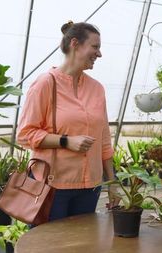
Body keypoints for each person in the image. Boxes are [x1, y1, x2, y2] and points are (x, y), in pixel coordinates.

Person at [17, 21, 120, 222]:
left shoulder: (97, 89)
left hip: (90, 187)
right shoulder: (46, 83)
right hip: (52, 186)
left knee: (82, 244)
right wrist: (65, 141)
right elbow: (25, 134)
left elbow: (104, 141)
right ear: (75, 44)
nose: (99, 54)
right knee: (49, 245)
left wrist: (112, 184)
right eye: (95, 47)